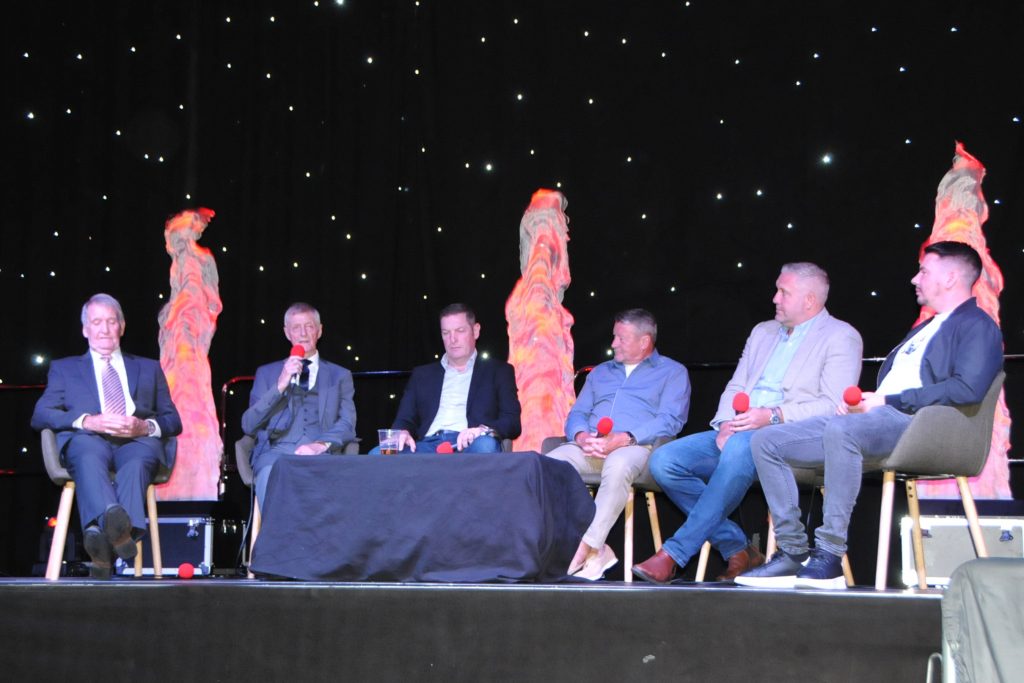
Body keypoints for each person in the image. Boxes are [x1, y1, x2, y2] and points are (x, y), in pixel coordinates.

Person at [737, 242, 1003, 590]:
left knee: (843, 432)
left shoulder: (975, 325)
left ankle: (830, 555)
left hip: (918, 425)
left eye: (924, 271)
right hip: (881, 419)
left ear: (951, 277)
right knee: (767, 441)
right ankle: (792, 552)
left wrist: (887, 400)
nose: (914, 279)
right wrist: (863, 404)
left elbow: (967, 389)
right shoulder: (926, 328)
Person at [633, 263, 863, 584]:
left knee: (744, 444)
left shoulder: (841, 336)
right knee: (665, 461)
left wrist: (771, 416)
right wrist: (727, 422)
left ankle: (673, 554)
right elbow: (737, 385)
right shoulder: (762, 332)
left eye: (784, 292)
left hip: (791, 441)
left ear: (810, 301)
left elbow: (832, 405)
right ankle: (738, 546)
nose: (775, 298)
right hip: (741, 430)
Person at [31, 293, 183, 579]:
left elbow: (173, 420)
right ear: (85, 329)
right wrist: (86, 421)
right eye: (96, 322)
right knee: (87, 454)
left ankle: (101, 539)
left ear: (122, 327)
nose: (103, 329)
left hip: (135, 441)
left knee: (138, 460)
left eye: (110, 322)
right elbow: (41, 414)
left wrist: (145, 427)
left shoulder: (149, 368)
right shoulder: (65, 369)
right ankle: (122, 535)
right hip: (89, 439)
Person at [545, 309, 690, 580]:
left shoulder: (672, 372)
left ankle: (586, 547)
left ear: (645, 341)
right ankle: (589, 549)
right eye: (614, 337)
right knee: (547, 465)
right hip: (590, 447)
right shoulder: (600, 373)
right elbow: (578, 414)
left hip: (638, 448)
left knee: (618, 462)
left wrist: (625, 437)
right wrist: (580, 436)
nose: (613, 344)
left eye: (620, 338)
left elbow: (671, 420)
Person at [241, 302, 356, 505]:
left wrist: (320, 445)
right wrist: (280, 385)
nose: (303, 333)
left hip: (321, 454)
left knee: (333, 485)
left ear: (319, 331)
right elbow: (249, 424)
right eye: (296, 327)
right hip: (276, 454)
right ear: (287, 333)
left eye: (309, 326)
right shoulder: (266, 373)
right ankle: (277, 536)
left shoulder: (340, 375)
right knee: (270, 476)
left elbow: (348, 423)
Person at [384, 303, 521, 453]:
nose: (452, 339)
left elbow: (512, 422)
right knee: (379, 453)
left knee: (485, 446)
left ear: (475, 331)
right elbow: (404, 420)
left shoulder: (498, 371)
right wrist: (402, 432)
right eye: (446, 333)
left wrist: (482, 431)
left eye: (460, 331)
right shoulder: (422, 375)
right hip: (426, 447)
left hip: (471, 443)